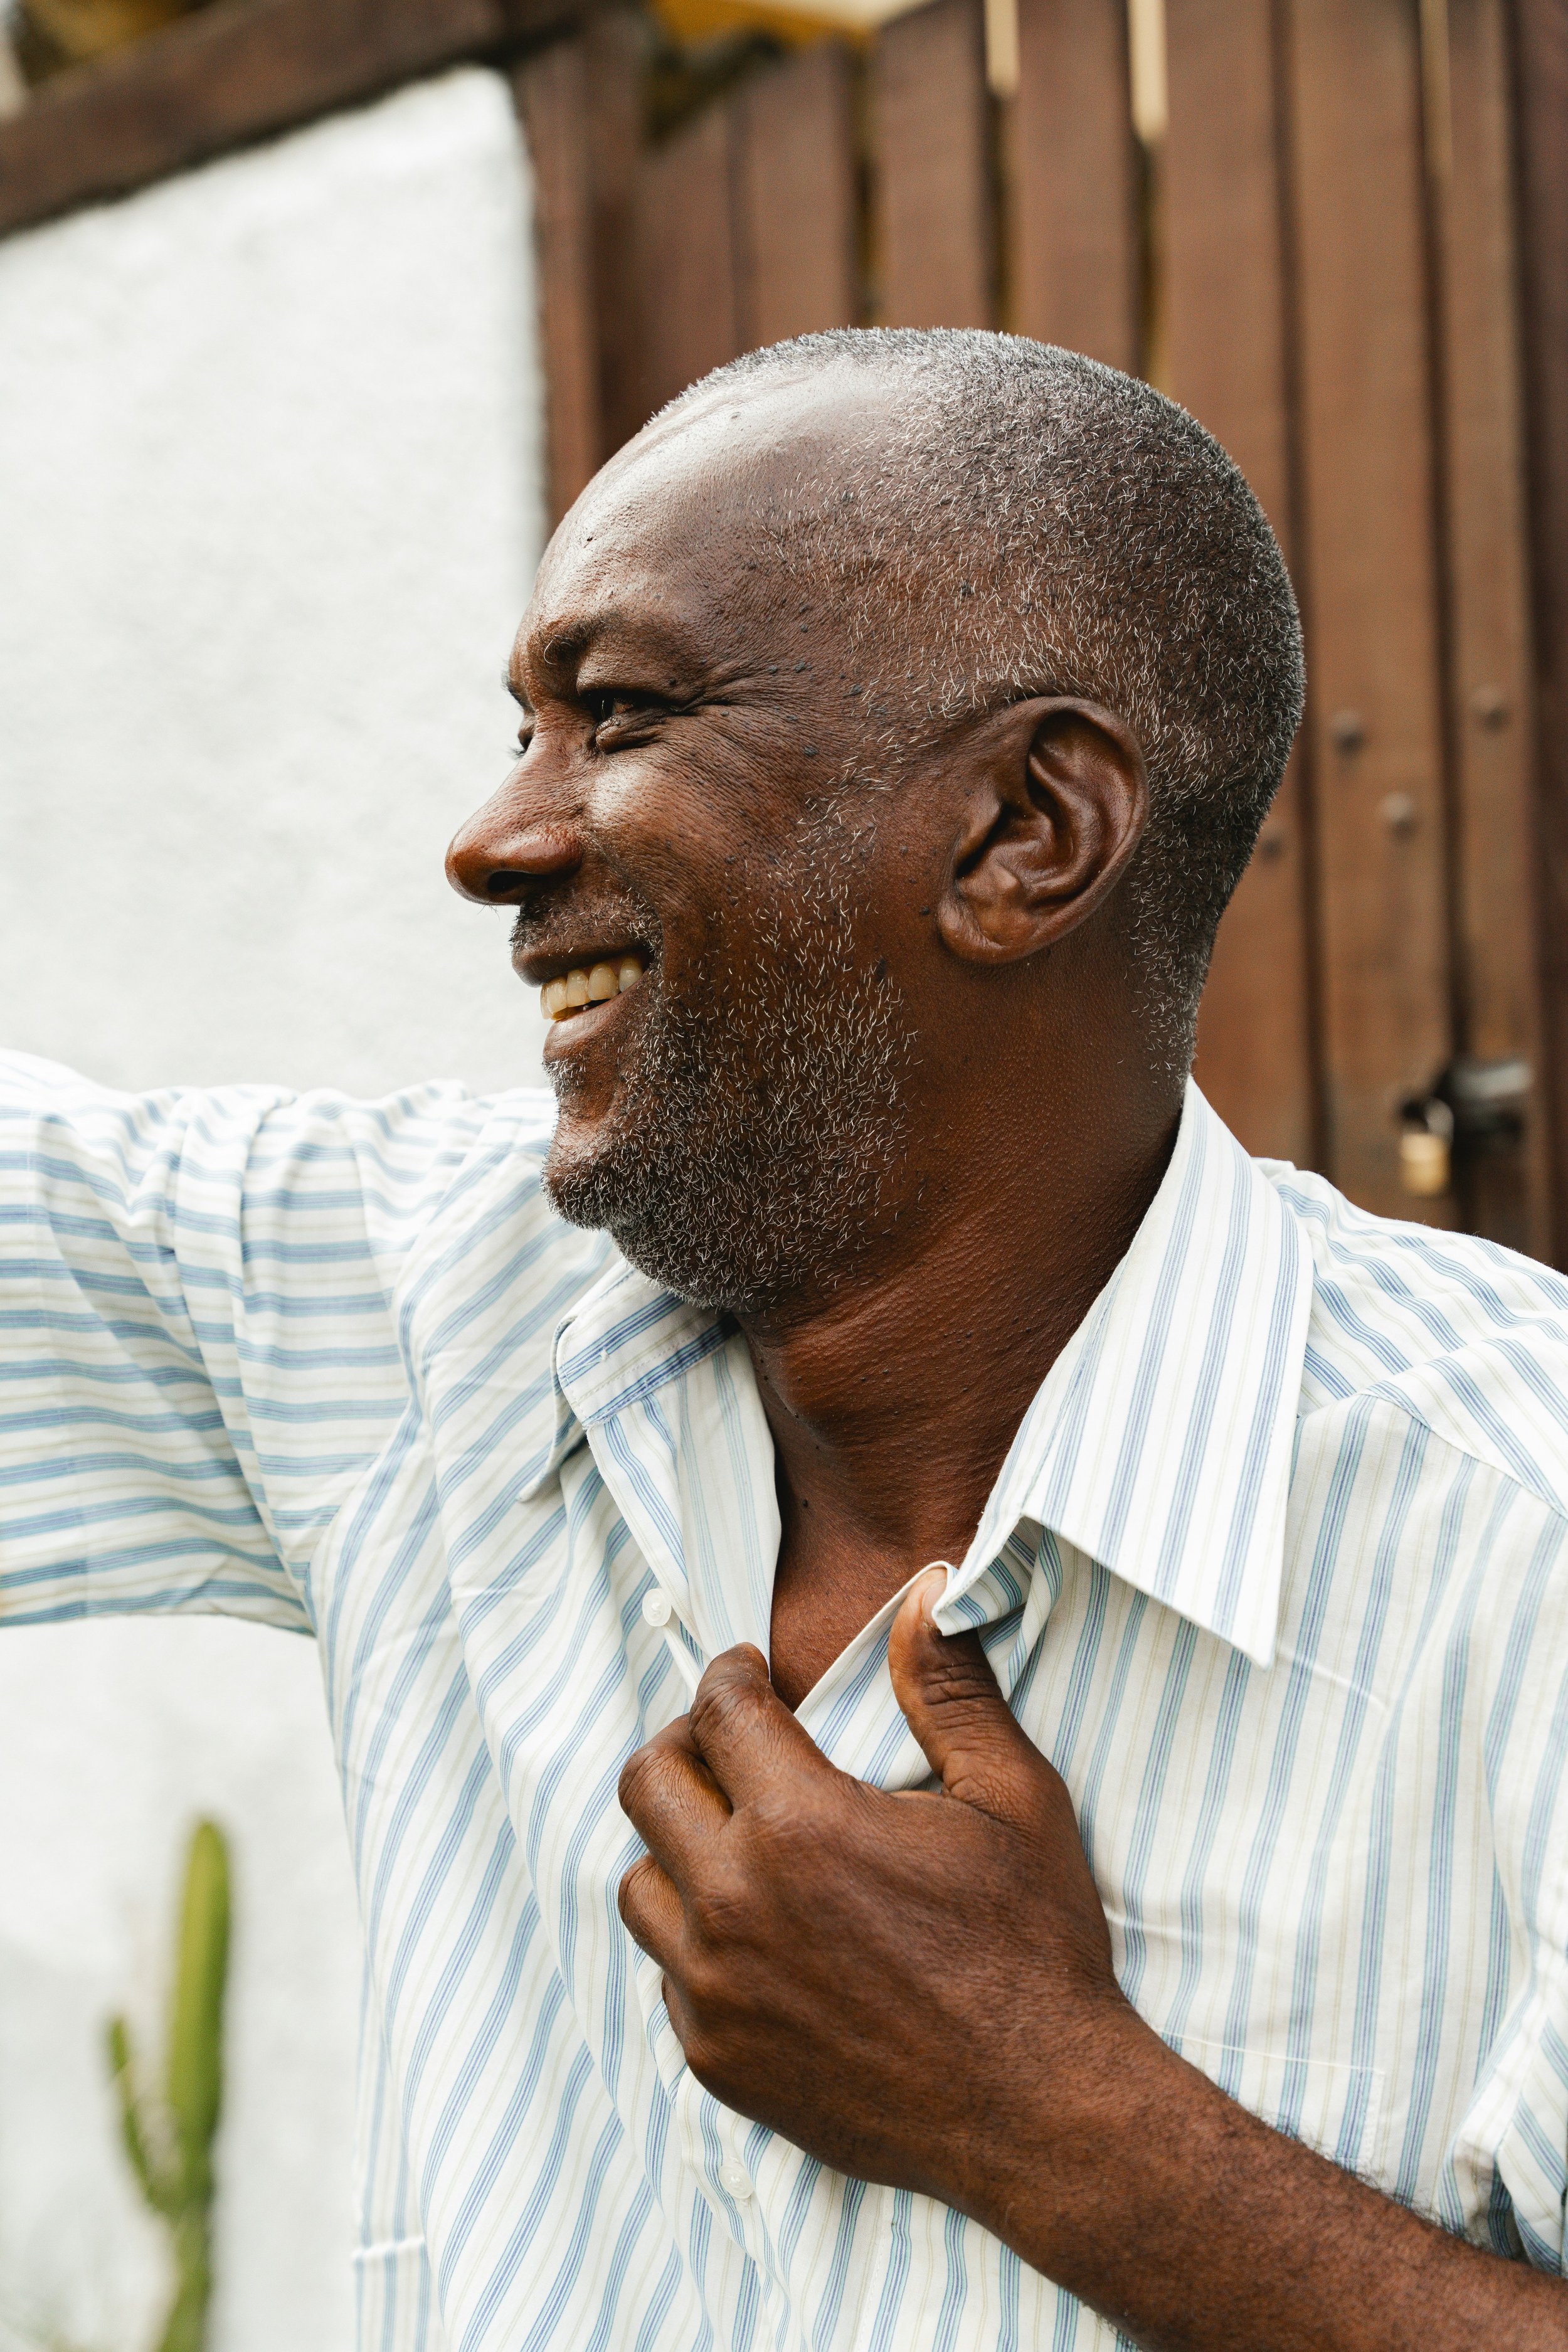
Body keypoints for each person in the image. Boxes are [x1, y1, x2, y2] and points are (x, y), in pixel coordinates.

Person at [4, 328, 1568, 2352]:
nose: (494, 839)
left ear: (1026, 831)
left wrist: (1060, 2124)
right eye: (522, 730)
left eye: (621, 719)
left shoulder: (1514, 1530)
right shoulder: (415, 1315)